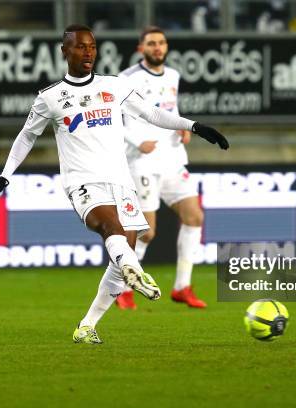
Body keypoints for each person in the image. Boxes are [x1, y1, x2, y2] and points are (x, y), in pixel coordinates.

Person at [0, 24, 229, 344]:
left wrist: (195, 126)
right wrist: (4, 176)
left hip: (120, 181)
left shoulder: (114, 85)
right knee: (111, 230)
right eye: (81, 47)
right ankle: (133, 272)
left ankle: (88, 325)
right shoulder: (51, 97)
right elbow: (26, 136)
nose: (88, 53)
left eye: (93, 47)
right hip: (82, 181)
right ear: (64, 51)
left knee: (124, 245)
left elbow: (152, 115)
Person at [115, 26, 207, 310]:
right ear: (141, 48)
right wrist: (136, 140)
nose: (158, 47)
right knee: (147, 232)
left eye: (161, 43)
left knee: (194, 217)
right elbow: (112, 118)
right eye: (151, 43)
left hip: (173, 158)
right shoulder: (126, 79)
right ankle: (122, 286)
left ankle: (182, 287)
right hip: (142, 161)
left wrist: (182, 128)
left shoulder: (173, 76)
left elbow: (170, 108)